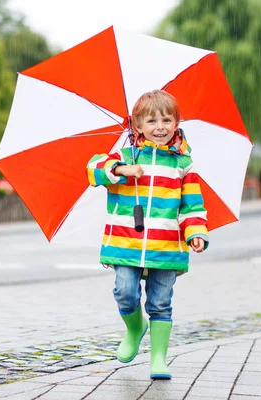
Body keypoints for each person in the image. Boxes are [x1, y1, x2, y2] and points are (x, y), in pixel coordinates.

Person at [86, 90, 208, 380]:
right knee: (125, 293)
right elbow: (93, 169)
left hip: (166, 248)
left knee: (160, 302)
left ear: (177, 123)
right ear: (137, 126)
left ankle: (158, 359)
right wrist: (122, 169)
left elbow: (192, 205)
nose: (160, 127)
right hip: (125, 243)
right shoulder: (126, 156)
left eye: (167, 119)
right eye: (151, 121)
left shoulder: (182, 164)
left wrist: (196, 232)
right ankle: (134, 327)